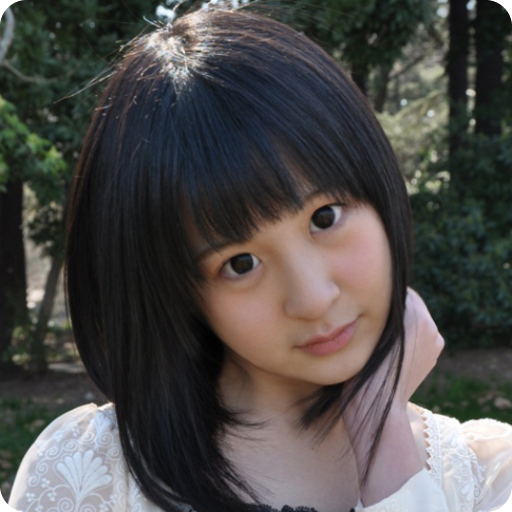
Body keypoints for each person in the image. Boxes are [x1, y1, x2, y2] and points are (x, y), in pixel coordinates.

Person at [6, 7, 512, 512]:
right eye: (240, 264)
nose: (313, 299)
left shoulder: (488, 477)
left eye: (325, 218)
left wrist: (385, 441)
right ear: (178, 290)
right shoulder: (87, 475)